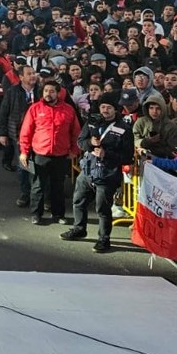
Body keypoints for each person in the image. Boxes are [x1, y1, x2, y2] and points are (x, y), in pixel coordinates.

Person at [61, 93, 134, 253]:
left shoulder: (124, 128)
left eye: (109, 107)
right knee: (78, 201)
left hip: (107, 174)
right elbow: (80, 141)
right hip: (87, 170)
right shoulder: (92, 121)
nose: (105, 110)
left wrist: (106, 154)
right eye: (102, 107)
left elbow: (128, 157)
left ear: (116, 109)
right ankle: (79, 228)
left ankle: (104, 239)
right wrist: (89, 143)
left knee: (102, 209)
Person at [18, 79, 80, 226]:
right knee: (38, 185)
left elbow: (76, 132)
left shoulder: (68, 109)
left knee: (58, 186)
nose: (48, 94)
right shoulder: (34, 109)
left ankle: (58, 214)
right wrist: (24, 152)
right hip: (40, 153)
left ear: (58, 93)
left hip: (61, 154)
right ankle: (36, 214)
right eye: (46, 91)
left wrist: (74, 150)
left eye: (52, 91)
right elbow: (26, 132)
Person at [0, 65, 39, 206]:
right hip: (18, 135)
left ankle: (39, 195)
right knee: (23, 166)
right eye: (29, 74)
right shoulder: (12, 91)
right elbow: (3, 112)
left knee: (39, 166)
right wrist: (2, 133)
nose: (33, 76)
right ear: (21, 77)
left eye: (34, 73)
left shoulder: (41, 91)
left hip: (39, 135)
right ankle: (25, 193)